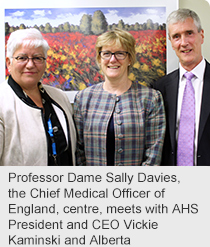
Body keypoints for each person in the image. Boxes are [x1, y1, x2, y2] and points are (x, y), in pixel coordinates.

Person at [74, 28, 165, 166]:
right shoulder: (84, 98)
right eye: (106, 53)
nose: (112, 59)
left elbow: (153, 153)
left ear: (130, 59)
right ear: (99, 59)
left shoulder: (151, 99)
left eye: (120, 53)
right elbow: (78, 152)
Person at [0, 28, 76, 165]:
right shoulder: (2, 101)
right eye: (22, 57)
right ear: (9, 63)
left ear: (45, 62)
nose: (30, 65)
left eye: (37, 58)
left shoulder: (59, 97)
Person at [152, 8, 210, 166]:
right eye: (176, 36)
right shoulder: (159, 88)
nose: (184, 42)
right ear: (171, 42)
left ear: (201, 35)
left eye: (189, 33)